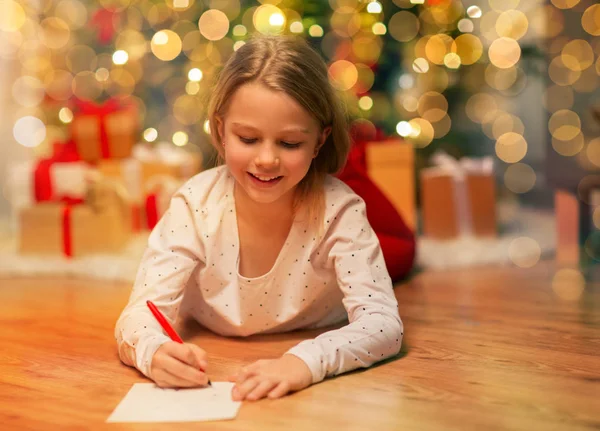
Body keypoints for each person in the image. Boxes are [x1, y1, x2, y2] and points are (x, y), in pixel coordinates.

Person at [115, 35, 404, 402]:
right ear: (220, 129)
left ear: (319, 140)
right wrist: (153, 351)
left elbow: (384, 325)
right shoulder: (195, 204)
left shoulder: (340, 211)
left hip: (314, 338)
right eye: (248, 138)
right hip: (213, 343)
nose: (267, 159)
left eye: (289, 143)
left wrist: (305, 361)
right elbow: (140, 312)